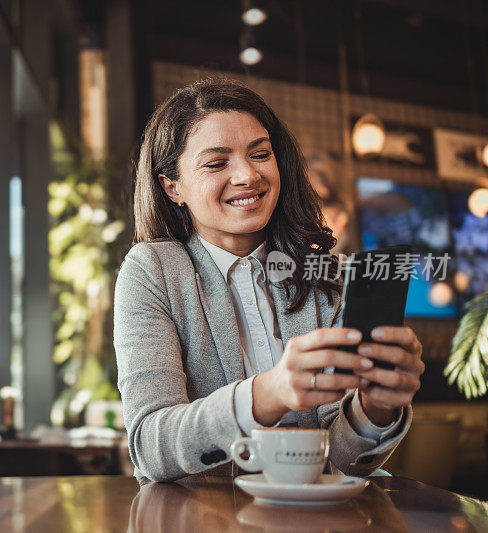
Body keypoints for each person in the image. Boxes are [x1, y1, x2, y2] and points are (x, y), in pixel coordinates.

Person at [113, 78, 423, 483]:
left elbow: (341, 464)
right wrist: (268, 394)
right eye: (217, 162)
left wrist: (377, 407)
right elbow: (150, 446)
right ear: (172, 187)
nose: (247, 175)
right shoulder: (151, 271)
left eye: (260, 154)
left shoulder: (325, 276)